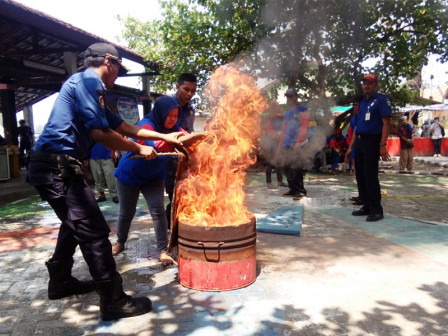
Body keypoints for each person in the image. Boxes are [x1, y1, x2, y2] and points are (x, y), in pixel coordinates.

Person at [27, 43, 185, 321]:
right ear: (109, 61)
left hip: (55, 166)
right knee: (93, 231)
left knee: (72, 225)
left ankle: (60, 281)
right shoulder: (88, 80)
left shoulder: (91, 89)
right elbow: (100, 134)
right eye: (118, 70)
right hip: (57, 166)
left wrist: (167, 138)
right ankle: (113, 300)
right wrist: (139, 149)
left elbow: (122, 126)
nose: (116, 77)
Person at [111, 97, 205, 264]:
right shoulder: (146, 125)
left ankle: (163, 250)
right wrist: (175, 139)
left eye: (176, 116)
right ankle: (120, 241)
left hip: (153, 177)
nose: (173, 119)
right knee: (127, 213)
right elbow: (152, 145)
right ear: (161, 112)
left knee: (158, 212)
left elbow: (184, 137)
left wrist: (203, 137)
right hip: (129, 176)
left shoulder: (174, 127)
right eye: (170, 115)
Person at [346, 73, 391, 222]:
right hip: (359, 141)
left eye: (370, 83)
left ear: (376, 85)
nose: (366, 85)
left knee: (370, 175)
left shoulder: (381, 100)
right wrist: (350, 147)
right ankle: (366, 205)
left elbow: (386, 123)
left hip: (372, 141)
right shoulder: (362, 103)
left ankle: (376, 209)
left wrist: (382, 144)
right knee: (360, 175)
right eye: (364, 83)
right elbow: (357, 127)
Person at [165, 73, 197, 223]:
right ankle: (174, 228)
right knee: (175, 195)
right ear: (177, 87)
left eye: (193, 90)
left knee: (188, 193)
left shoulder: (190, 109)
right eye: (186, 89)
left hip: (185, 159)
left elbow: (188, 134)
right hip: (169, 159)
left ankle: (181, 225)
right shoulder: (167, 106)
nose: (189, 94)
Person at [279, 87, 309, 200]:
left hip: (296, 144)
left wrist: (299, 141)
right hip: (286, 144)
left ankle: (300, 191)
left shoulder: (303, 110)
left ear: (296, 96)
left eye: (291, 96)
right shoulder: (287, 114)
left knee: (296, 167)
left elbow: (304, 126)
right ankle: (292, 189)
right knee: (287, 168)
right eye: (287, 96)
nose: (289, 98)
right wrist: (280, 145)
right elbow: (284, 130)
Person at [260, 101, 288, 189]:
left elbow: (285, 127)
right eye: (274, 106)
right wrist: (277, 135)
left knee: (279, 162)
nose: (276, 107)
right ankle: (269, 183)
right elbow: (269, 130)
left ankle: (280, 181)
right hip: (269, 143)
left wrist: (282, 136)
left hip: (278, 143)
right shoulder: (268, 118)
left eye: (277, 106)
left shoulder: (282, 117)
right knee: (269, 163)